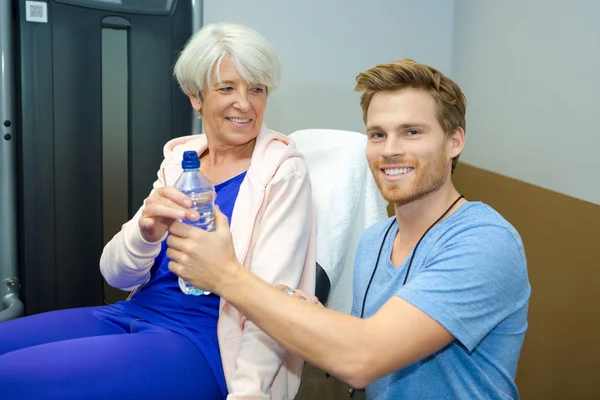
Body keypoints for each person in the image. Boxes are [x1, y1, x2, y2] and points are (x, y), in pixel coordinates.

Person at [167, 59, 531, 400]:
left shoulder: (485, 241)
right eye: (377, 135)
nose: (390, 150)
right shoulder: (376, 240)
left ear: (454, 141)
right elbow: (369, 341)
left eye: (412, 132)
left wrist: (225, 275)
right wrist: (308, 315)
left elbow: (362, 359)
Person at [0, 22, 315, 400]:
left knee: (12, 379)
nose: (244, 104)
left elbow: (273, 304)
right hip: (132, 313)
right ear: (195, 97)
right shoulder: (180, 164)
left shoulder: (282, 172)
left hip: (202, 341)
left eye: (257, 89)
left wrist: (249, 393)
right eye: (227, 88)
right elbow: (115, 274)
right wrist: (145, 234)